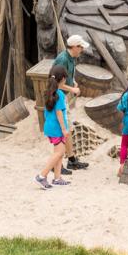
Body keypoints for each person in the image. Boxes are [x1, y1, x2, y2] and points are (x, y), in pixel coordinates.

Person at [53, 34, 91, 171]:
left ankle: (71, 160)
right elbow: (55, 83)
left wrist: (72, 82)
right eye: (80, 47)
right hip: (58, 97)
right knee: (62, 130)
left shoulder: (71, 58)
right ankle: (58, 164)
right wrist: (73, 89)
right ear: (74, 47)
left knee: (67, 129)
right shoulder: (62, 59)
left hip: (64, 96)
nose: (82, 50)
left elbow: (68, 75)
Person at [35, 64, 73, 190]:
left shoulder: (49, 92)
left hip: (50, 127)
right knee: (59, 153)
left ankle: (57, 178)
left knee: (59, 153)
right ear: (62, 79)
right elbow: (59, 113)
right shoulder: (60, 94)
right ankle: (41, 176)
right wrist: (64, 129)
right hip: (57, 128)